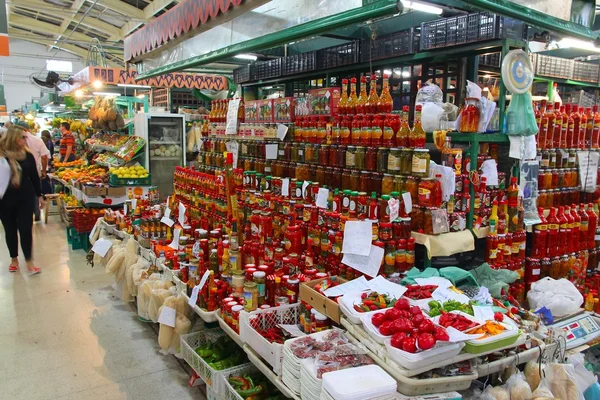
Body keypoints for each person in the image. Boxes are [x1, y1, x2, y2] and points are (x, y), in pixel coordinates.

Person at [0, 126, 42, 275]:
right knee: (10, 229)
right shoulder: (2, 155)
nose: (25, 139)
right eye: (22, 137)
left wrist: (39, 195)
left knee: (25, 229)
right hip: (5, 200)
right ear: (13, 138)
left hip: (25, 197)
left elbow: (34, 177)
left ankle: (29, 262)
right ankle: (14, 259)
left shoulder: (27, 155)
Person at [16, 122, 49, 221]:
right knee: (34, 190)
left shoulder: (6, 152)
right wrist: (44, 170)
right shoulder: (37, 140)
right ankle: (36, 212)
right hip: (35, 171)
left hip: (17, 186)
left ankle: (30, 213)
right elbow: (44, 156)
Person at [40, 130, 54, 196]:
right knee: (45, 180)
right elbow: (50, 155)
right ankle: (48, 192)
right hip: (46, 165)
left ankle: (46, 193)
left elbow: (45, 157)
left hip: (44, 166)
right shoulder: (50, 142)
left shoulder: (45, 146)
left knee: (44, 180)